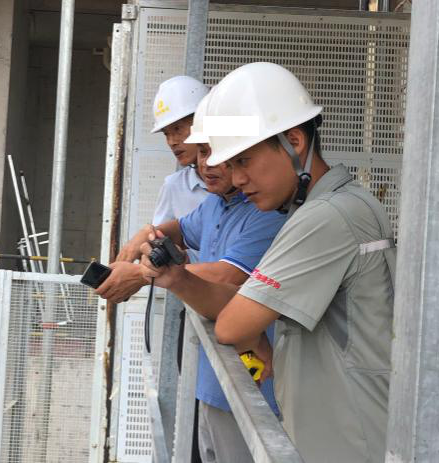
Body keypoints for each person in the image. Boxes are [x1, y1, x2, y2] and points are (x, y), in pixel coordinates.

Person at [139, 62, 395, 463]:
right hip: (342, 433)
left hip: (351, 440)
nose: (235, 177)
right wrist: (176, 278)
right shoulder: (333, 206)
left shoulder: (325, 217)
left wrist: (251, 333)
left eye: (243, 160)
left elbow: (233, 324)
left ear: (293, 141)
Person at [98, 92, 286, 463]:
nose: (207, 165)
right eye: (200, 153)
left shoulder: (266, 211)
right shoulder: (218, 203)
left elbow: (227, 277)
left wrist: (141, 274)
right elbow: (181, 229)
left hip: (254, 389)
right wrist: (145, 234)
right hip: (214, 380)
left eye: (219, 153)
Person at [150, 75, 210, 229]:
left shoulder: (242, 182)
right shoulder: (173, 186)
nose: (171, 141)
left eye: (177, 129)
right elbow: (160, 240)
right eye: (166, 133)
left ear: (203, 122)